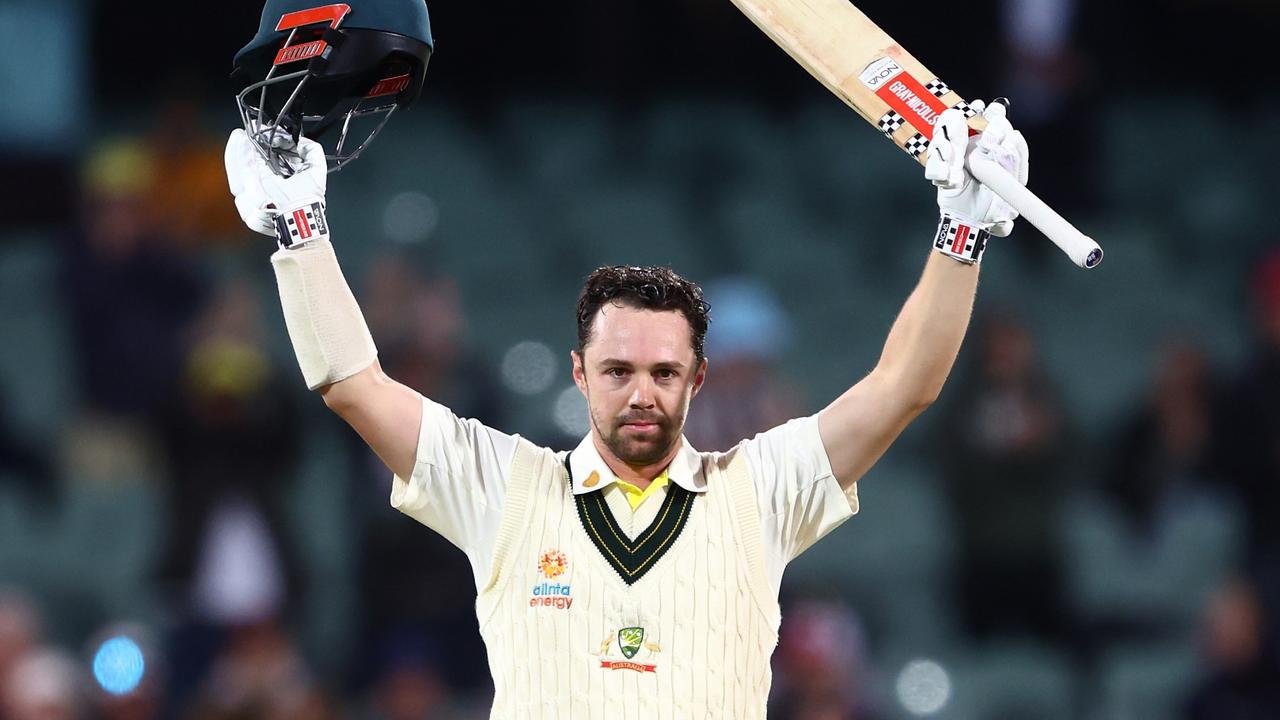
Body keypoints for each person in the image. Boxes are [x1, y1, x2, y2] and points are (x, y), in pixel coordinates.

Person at [225, 74, 1028, 715]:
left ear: (698, 379)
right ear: (580, 375)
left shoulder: (759, 491)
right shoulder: (506, 488)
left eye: (665, 372)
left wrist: (960, 229)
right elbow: (354, 386)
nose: (641, 394)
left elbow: (904, 387)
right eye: (618, 372)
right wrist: (302, 229)